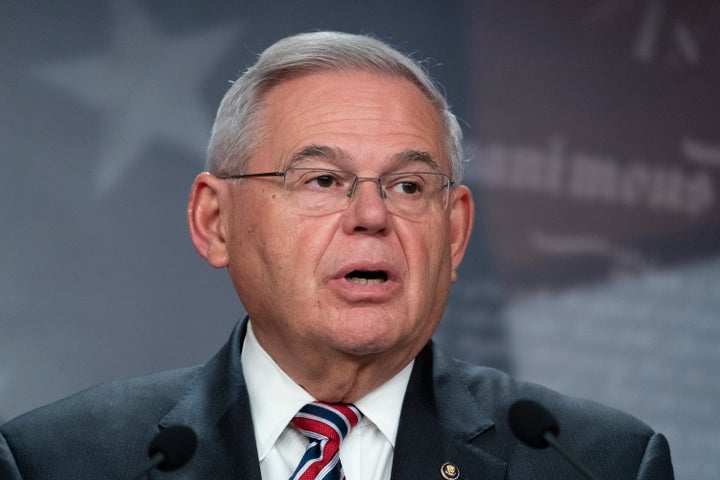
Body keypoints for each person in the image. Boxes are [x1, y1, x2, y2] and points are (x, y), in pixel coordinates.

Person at [0, 31, 673, 480]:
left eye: (409, 186)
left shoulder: (591, 461)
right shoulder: (59, 461)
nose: (373, 217)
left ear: (456, 232)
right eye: (321, 180)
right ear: (215, 221)